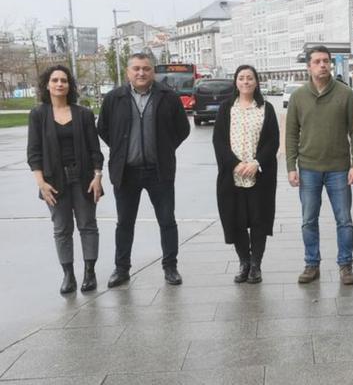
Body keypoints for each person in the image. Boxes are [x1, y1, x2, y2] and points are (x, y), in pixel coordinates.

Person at [98, 52, 190, 287]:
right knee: (124, 222)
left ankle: (170, 267)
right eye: (136, 68)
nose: (141, 73)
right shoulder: (114, 98)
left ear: (153, 72)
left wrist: (164, 148)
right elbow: (105, 129)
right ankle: (121, 269)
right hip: (126, 172)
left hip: (159, 171)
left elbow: (182, 129)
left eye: (146, 68)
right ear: (128, 72)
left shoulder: (168, 96)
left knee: (167, 220)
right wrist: (122, 150)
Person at [287, 46, 353, 285]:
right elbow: (290, 134)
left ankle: (345, 266)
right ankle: (312, 264)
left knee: (344, 219)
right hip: (308, 168)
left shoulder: (345, 94)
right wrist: (291, 166)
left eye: (326, 61)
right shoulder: (298, 97)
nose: (322, 65)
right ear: (309, 66)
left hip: (339, 169)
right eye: (317, 61)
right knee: (308, 219)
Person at [27, 65, 104, 294]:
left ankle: (90, 272)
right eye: (55, 80)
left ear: (70, 85)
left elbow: (95, 151)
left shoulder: (84, 114)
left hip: (84, 179)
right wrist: (41, 183)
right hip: (53, 182)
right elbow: (34, 153)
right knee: (61, 229)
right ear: (47, 85)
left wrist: (97, 176)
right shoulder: (38, 115)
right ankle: (68, 275)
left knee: (88, 226)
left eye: (64, 80)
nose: (59, 84)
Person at [212, 65, 279, 284]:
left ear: (256, 82)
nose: (246, 82)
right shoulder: (225, 109)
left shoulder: (266, 109)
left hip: (259, 175)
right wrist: (234, 164)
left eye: (250, 78)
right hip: (232, 176)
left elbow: (272, 141)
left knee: (259, 220)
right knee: (236, 221)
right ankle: (244, 262)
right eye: (241, 78)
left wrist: (256, 163)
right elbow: (219, 141)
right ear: (236, 82)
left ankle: (256, 265)